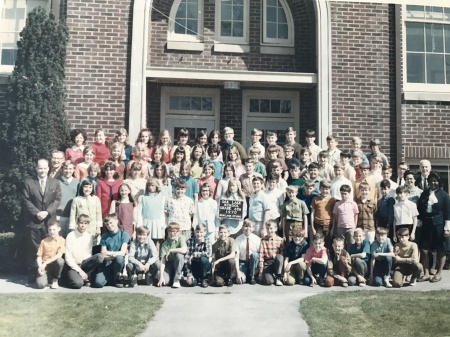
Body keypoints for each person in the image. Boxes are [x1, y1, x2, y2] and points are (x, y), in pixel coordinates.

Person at [23, 159, 62, 279]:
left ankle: (50, 274)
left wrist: (47, 212)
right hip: (34, 221)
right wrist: (37, 213)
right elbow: (25, 199)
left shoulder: (55, 182)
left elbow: (57, 200)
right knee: (35, 248)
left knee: (50, 247)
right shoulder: (29, 182)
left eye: (45, 168)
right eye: (40, 168)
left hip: (49, 221)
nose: (43, 170)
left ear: (48, 168)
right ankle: (35, 274)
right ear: (36, 169)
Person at [417, 171, 450, 283]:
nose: (433, 183)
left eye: (435, 181)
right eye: (431, 181)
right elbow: (420, 209)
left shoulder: (444, 195)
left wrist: (447, 227)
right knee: (424, 249)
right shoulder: (424, 194)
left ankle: (439, 273)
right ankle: (426, 273)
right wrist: (420, 221)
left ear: (439, 182)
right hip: (426, 224)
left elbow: (447, 212)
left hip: (439, 225)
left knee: (441, 249)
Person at [64, 214, 104, 289]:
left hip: (83, 263)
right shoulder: (70, 236)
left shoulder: (89, 236)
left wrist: (82, 259)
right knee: (78, 284)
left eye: (85, 223)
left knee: (99, 257)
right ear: (77, 223)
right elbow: (68, 258)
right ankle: (73, 278)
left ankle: (86, 276)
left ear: (88, 225)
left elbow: (89, 253)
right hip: (73, 265)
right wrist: (79, 270)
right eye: (81, 223)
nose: (83, 225)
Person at [93, 214, 130, 288]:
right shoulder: (105, 236)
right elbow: (103, 253)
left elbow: (122, 252)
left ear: (116, 221)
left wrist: (110, 253)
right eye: (107, 224)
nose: (109, 225)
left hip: (118, 262)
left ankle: (117, 278)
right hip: (107, 261)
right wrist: (111, 256)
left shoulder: (124, 234)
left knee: (119, 258)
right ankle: (111, 278)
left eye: (111, 223)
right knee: (98, 283)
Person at [137, 177, 166, 251]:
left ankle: (156, 258)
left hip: (157, 222)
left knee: (157, 242)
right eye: (149, 185)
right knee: (146, 242)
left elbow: (162, 212)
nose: (150, 187)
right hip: (146, 222)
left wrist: (162, 227)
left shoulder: (162, 197)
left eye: (152, 185)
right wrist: (140, 225)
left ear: (156, 185)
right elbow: (139, 212)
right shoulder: (142, 197)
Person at [69, 180, 102, 245]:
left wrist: (98, 228)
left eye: (90, 187)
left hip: (92, 227)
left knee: (92, 245)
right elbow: (72, 215)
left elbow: (98, 214)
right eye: (86, 187)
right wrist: (72, 228)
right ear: (82, 188)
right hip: (80, 227)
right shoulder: (76, 199)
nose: (88, 189)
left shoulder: (96, 199)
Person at [35, 221, 65, 289]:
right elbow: (39, 256)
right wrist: (40, 267)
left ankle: (55, 280)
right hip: (45, 267)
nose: (52, 232)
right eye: (50, 229)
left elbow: (59, 255)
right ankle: (47, 279)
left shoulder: (62, 240)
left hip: (55, 266)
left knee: (60, 261)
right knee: (41, 285)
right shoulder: (44, 241)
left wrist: (45, 263)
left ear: (59, 229)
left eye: (54, 229)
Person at [157, 222, 187, 288]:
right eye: (170, 231)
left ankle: (176, 280)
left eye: (174, 232)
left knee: (179, 255)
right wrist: (161, 277)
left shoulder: (181, 238)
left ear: (178, 232)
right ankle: (162, 275)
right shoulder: (165, 244)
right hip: (169, 264)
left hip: (178, 264)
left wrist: (171, 250)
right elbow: (163, 261)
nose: (172, 233)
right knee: (165, 282)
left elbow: (184, 250)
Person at [185, 223, 212, 288]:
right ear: (194, 232)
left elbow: (208, 253)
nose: (199, 234)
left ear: (205, 232)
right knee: (191, 284)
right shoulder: (190, 241)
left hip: (204, 266)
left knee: (203, 259)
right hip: (194, 266)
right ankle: (196, 278)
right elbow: (186, 259)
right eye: (197, 232)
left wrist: (194, 254)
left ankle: (203, 279)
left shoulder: (207, 240)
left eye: (201, 232)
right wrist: (189, 274)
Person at [258, 220, 284, 286]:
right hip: (267, 264)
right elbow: (261, 256)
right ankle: (271, 276)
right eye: (267, 229)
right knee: (269, 281)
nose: (269, 231)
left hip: (276, 263)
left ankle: (278, 277)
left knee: (280, 257)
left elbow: (282, 256)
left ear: (276, 229)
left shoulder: (280, 240)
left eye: (271, 228)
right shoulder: (263, 240)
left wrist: (283, 272)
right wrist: (261, 271)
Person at [310, 180, 336, 248]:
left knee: (328, 243)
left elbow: (334, 214)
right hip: (318, 225)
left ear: (329, 189)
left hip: (328, 225)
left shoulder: (332, 200)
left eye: (327, 189)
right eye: (323, 189)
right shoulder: (315, 199)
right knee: (318, 243)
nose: (325, 191)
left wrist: (333, 228)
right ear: (320, 189)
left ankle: (328, 257)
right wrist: (313, 228)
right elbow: (312, 213)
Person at [57, 160, 79, 238]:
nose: (68, 171)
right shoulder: (57, 182)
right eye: (66, 169)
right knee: (59, 238)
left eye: (70, 169)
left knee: (70, 238)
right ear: (62, 169)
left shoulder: (78, 183)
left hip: (72, 216)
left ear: (73, 170)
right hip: (59, 216)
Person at [235, 219, 261, 285]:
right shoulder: (238, 240)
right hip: (242, 263)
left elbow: (260, 255)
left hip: (253, 263)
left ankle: (252, 276)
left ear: (253, 228)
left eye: (250, 226)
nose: (248, 228)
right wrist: (238, 272)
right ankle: (245, 275)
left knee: (255, 254)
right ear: (242, 227)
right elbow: (236, 257)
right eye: (246, 226)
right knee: (241, 280)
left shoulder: (257, 239)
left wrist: (258, 269)